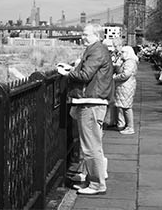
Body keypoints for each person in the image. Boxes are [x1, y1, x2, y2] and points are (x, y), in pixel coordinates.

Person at [56, 23, 113, 196]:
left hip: (91, 102)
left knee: (91, 146)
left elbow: (85, 75)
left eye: (86, 34)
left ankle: (97, 184)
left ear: (97, 35)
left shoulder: (96, 50)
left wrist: (67, 72)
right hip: (92, 101)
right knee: (94, 144)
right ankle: (95, 177)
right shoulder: (98, 49)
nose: (82, 36)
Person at [111, 45, 137, 134]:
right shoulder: (126, 61)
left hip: (126, 87)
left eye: (122, 52)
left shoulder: (130, 62)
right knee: (122, 105)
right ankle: (122, 124)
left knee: (126, 107)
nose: (120, 53)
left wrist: (114, 77)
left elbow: (125, 74)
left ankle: (130, 127)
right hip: (123, 87)